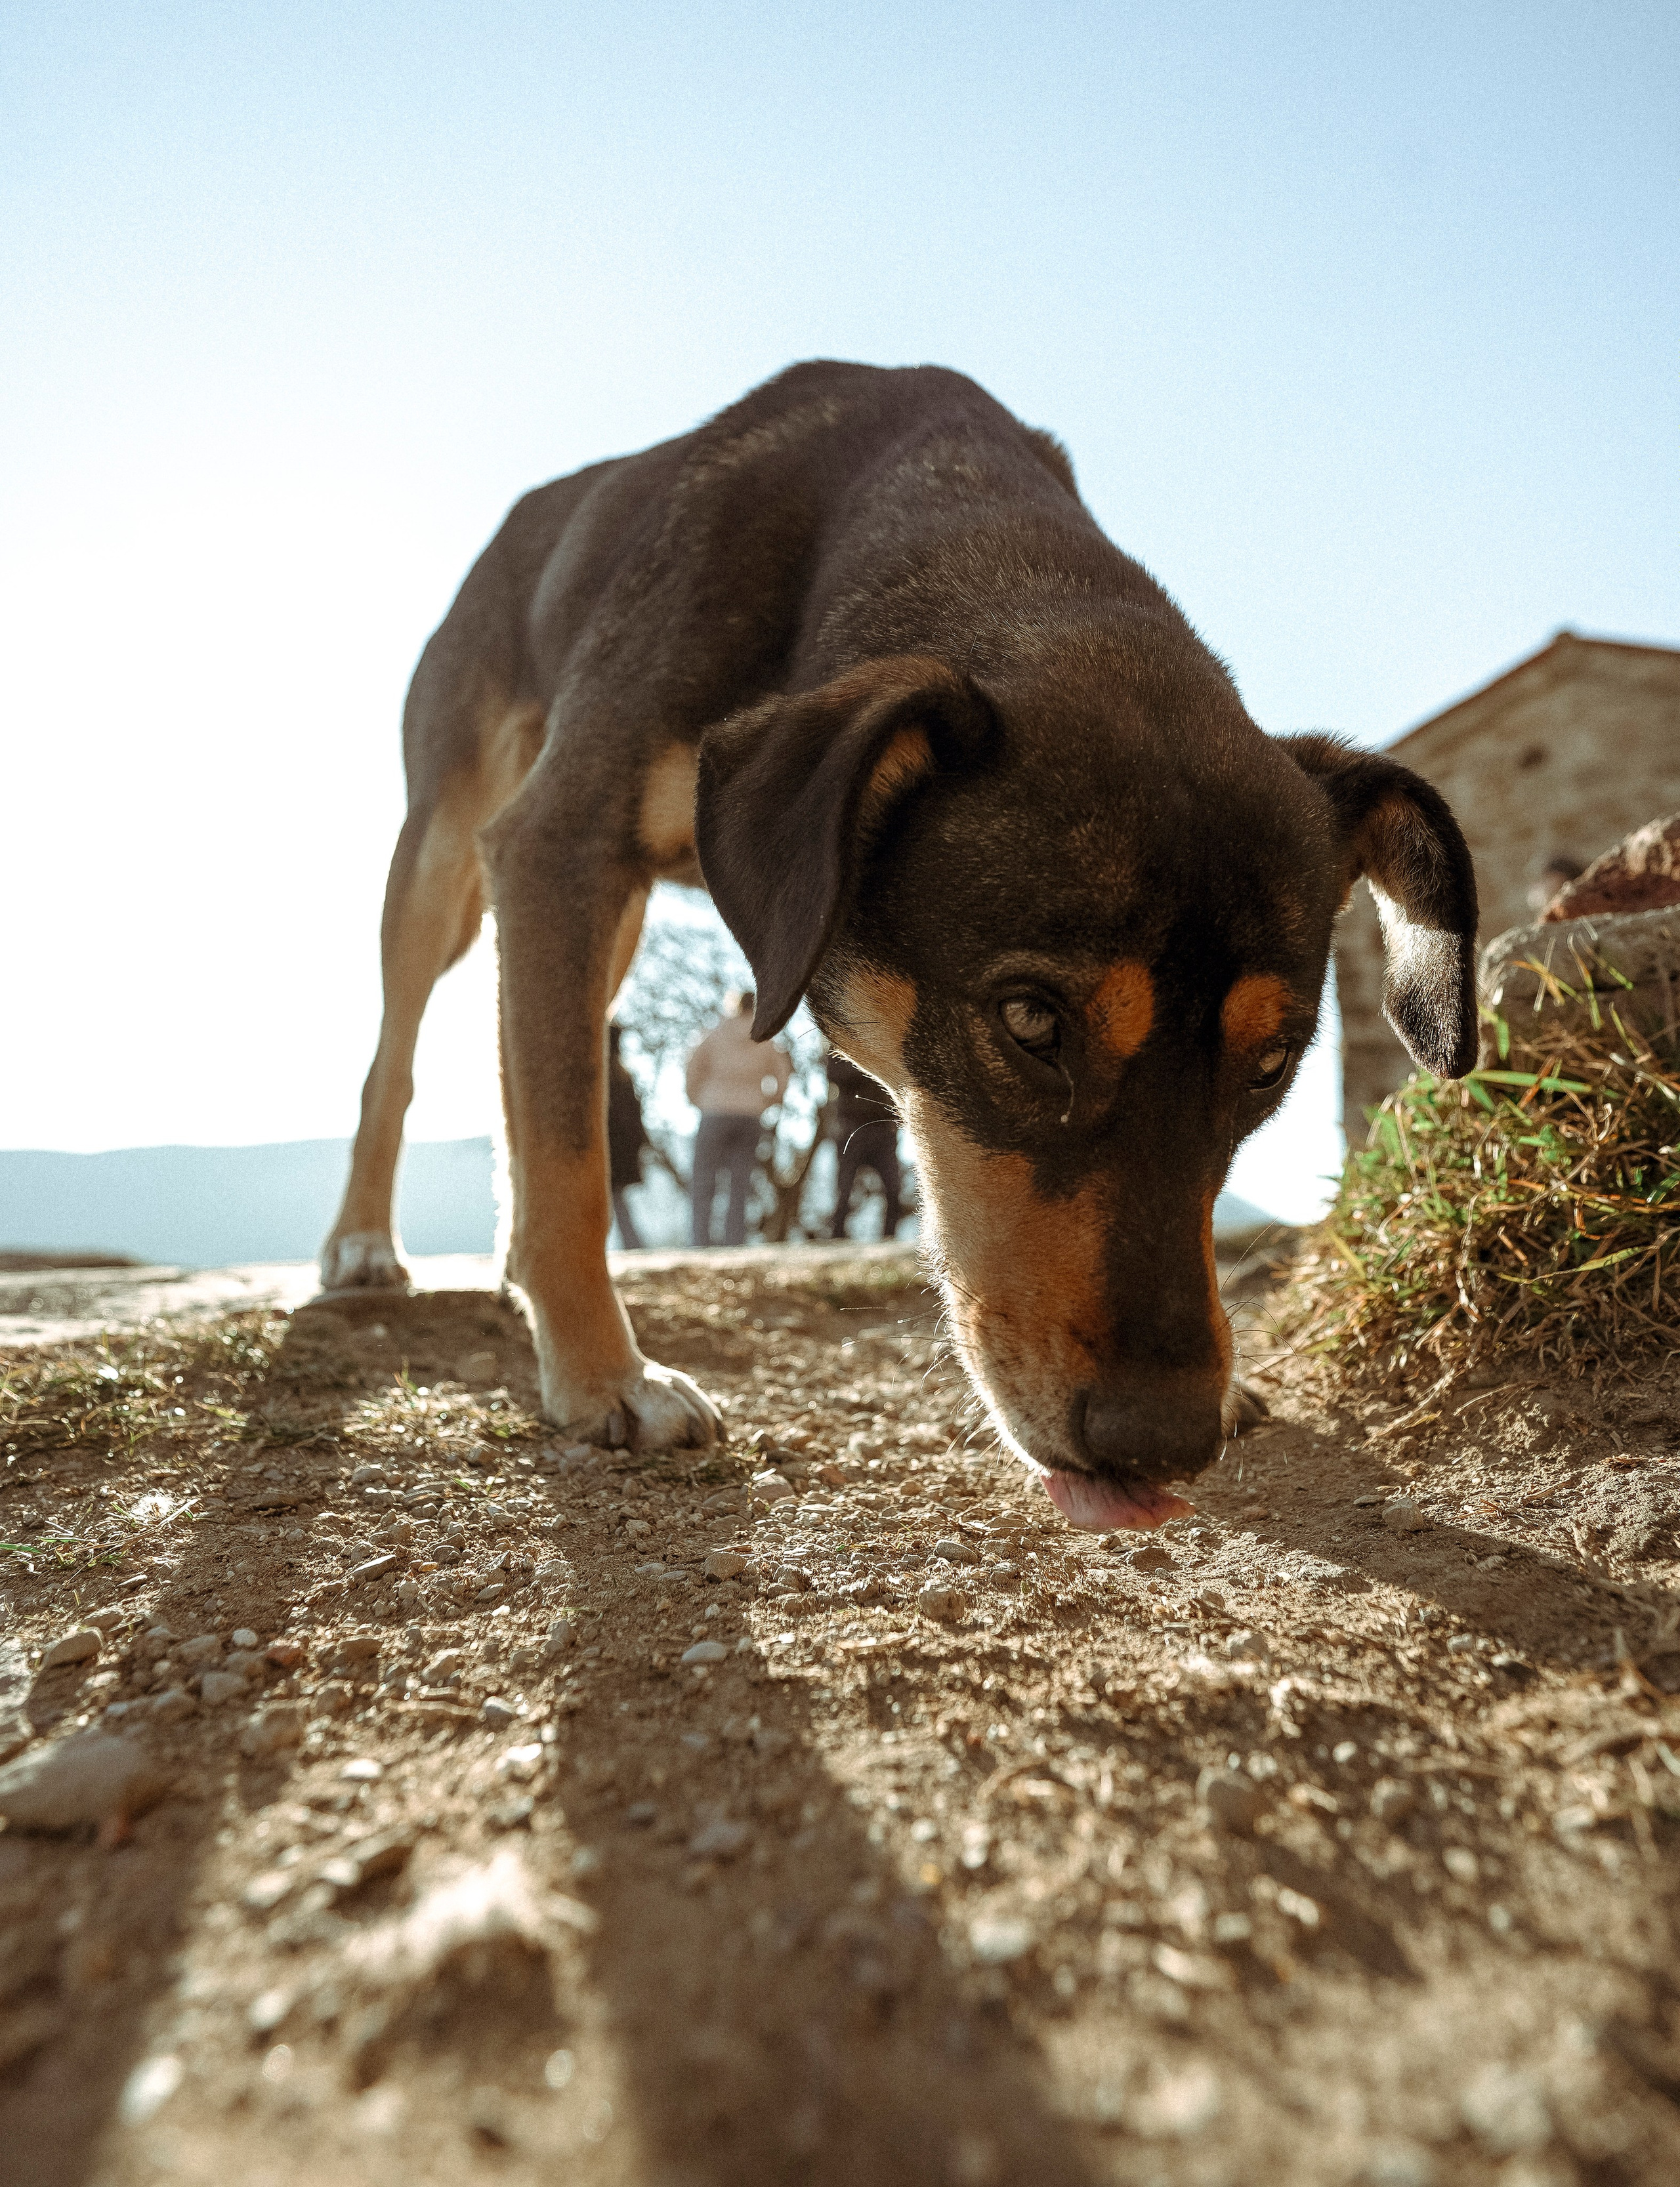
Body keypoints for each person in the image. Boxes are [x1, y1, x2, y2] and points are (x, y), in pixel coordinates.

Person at [684, 991, 791, 1247]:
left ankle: (700, 1243)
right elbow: (783, 1074)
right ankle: (734, 1244)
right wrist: (767, 1101)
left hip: (714, 1111)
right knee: (740, 1184)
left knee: (704, 1181)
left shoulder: (715, 1032)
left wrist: (697, 1099)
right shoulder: (765, 1038)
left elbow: (692, 1067)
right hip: (751, 1115)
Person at [827, 1049, 903, 1239]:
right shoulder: (840, 1043)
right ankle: (837, 1238)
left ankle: (889, 1239)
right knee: (844, 1190)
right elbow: (834, 1075)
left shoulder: (882, 1042)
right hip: (852, 1127)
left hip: (883, 1129)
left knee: (894, 1189)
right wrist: (870, 1064)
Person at [606, 1023, 648, 1250]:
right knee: (617, 1204)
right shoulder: (624, 1078)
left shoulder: (610, 1080)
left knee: (612, 1204)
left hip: (610, 1154)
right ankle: (634, 1247)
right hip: (621, 1154)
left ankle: (633, 1248)